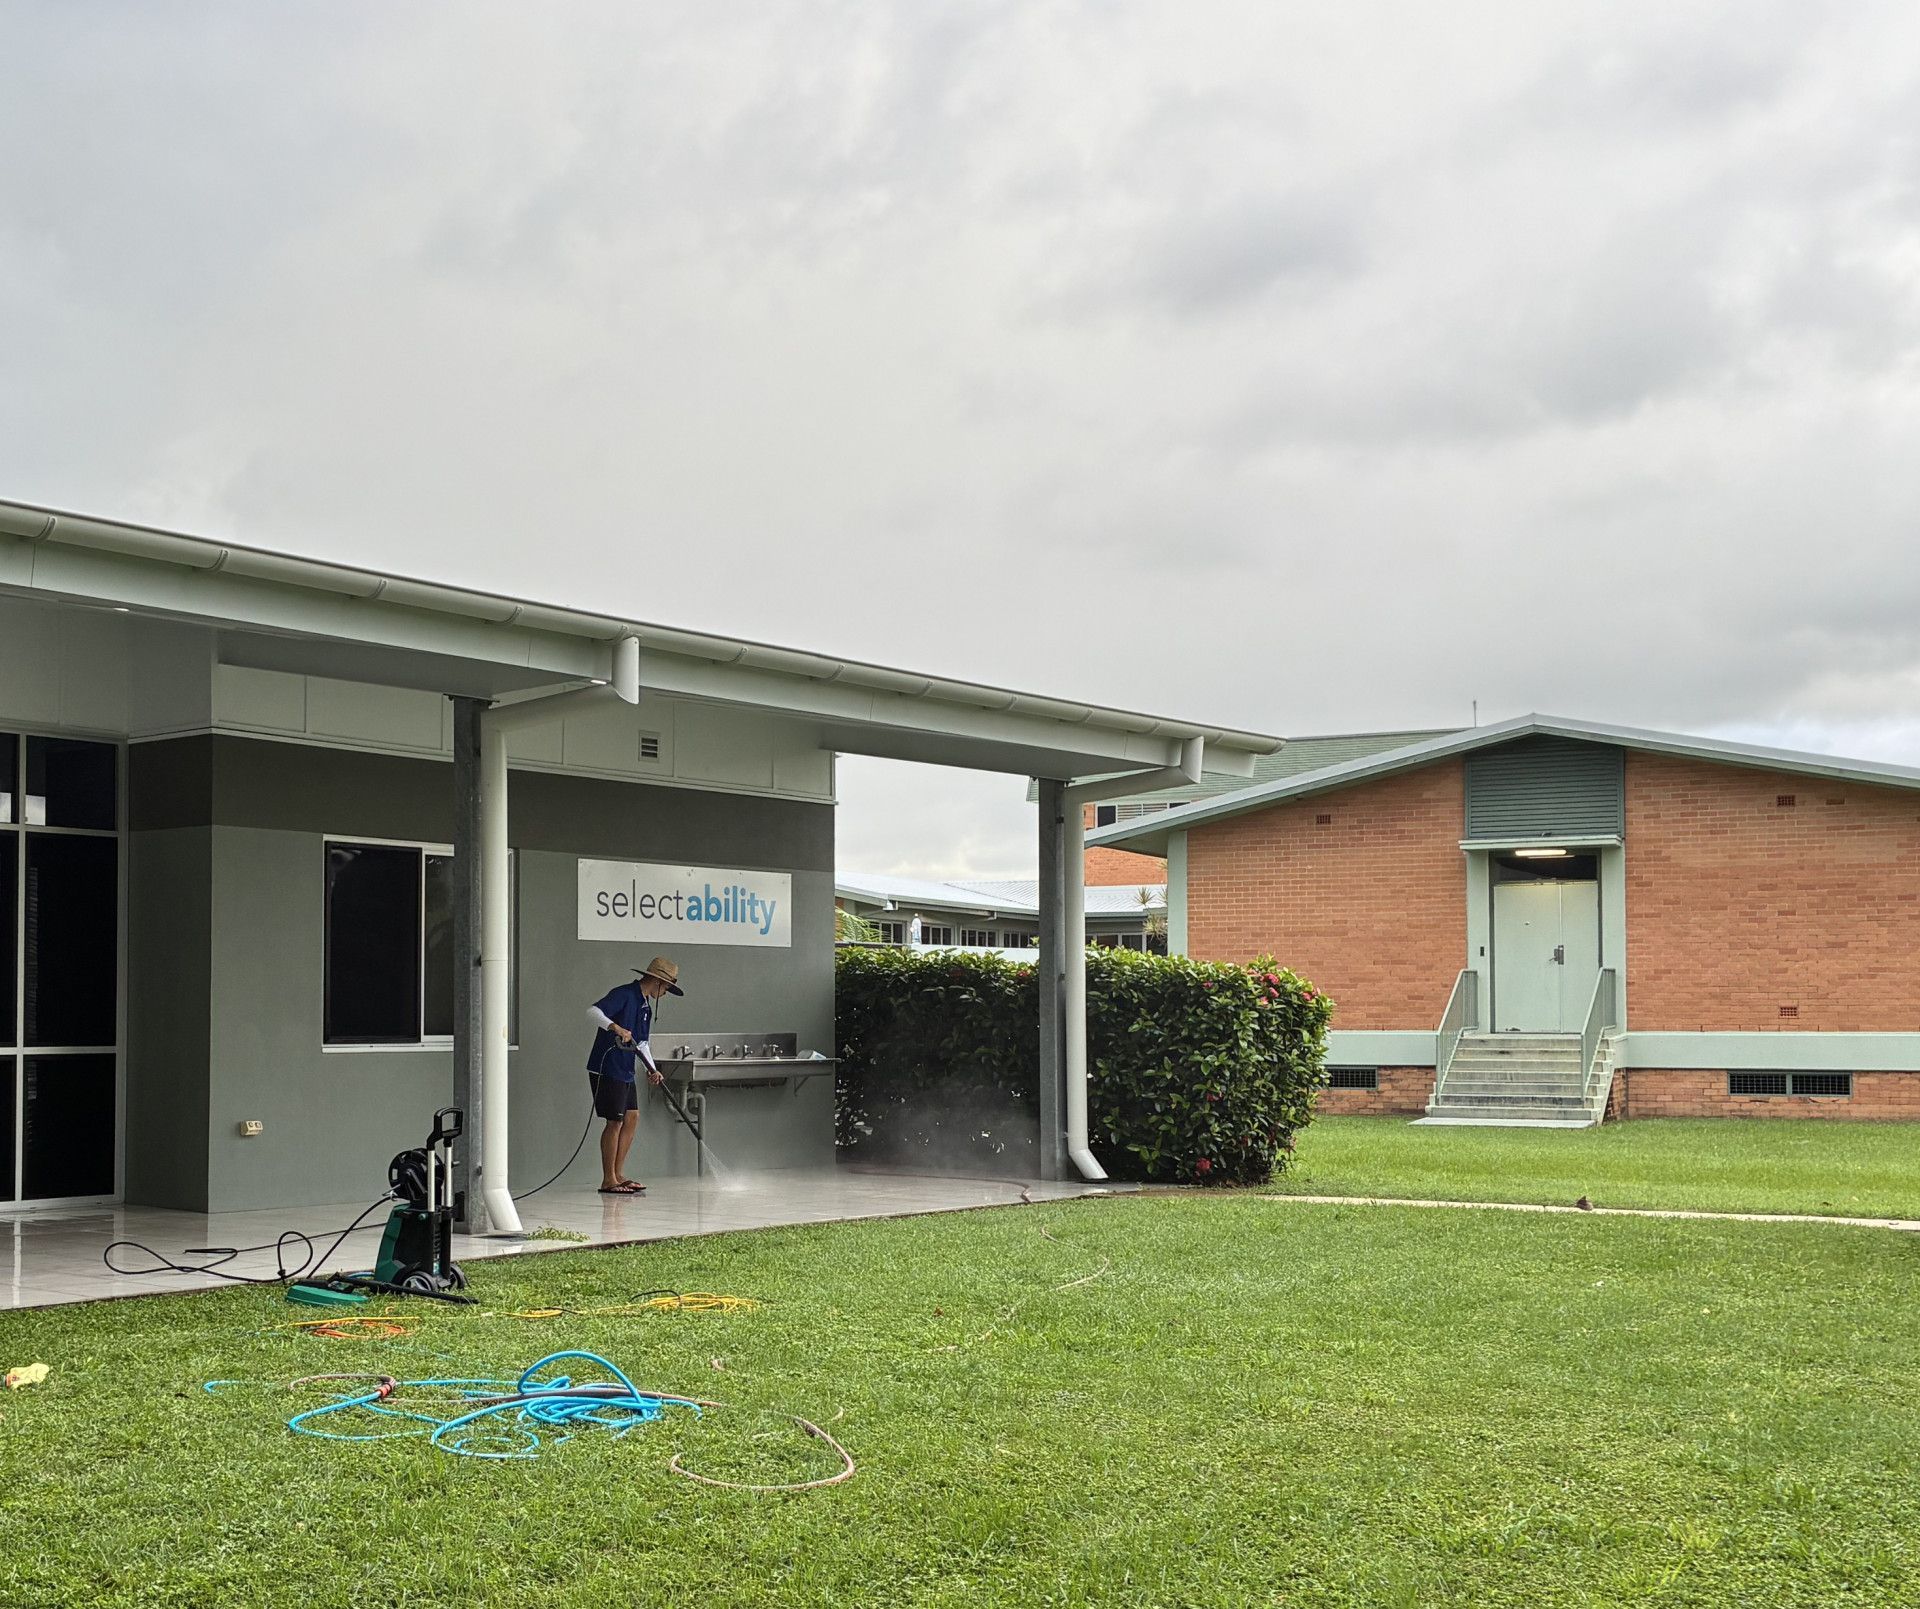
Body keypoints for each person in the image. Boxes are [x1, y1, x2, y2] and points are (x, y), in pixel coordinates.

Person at [585, 955, 684, 1195]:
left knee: (632, 1117)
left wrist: (653, 1069)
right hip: (607, 1066)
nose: (667, 992)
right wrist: (615, 1027)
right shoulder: (625, 994)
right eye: (668, 987)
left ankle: (618, 1175)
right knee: (615, 1120)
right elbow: (593, 1012)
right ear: (657, 981)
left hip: (626, 1068)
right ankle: (608, 1179)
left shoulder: (645, 1007)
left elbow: (642, 1044)